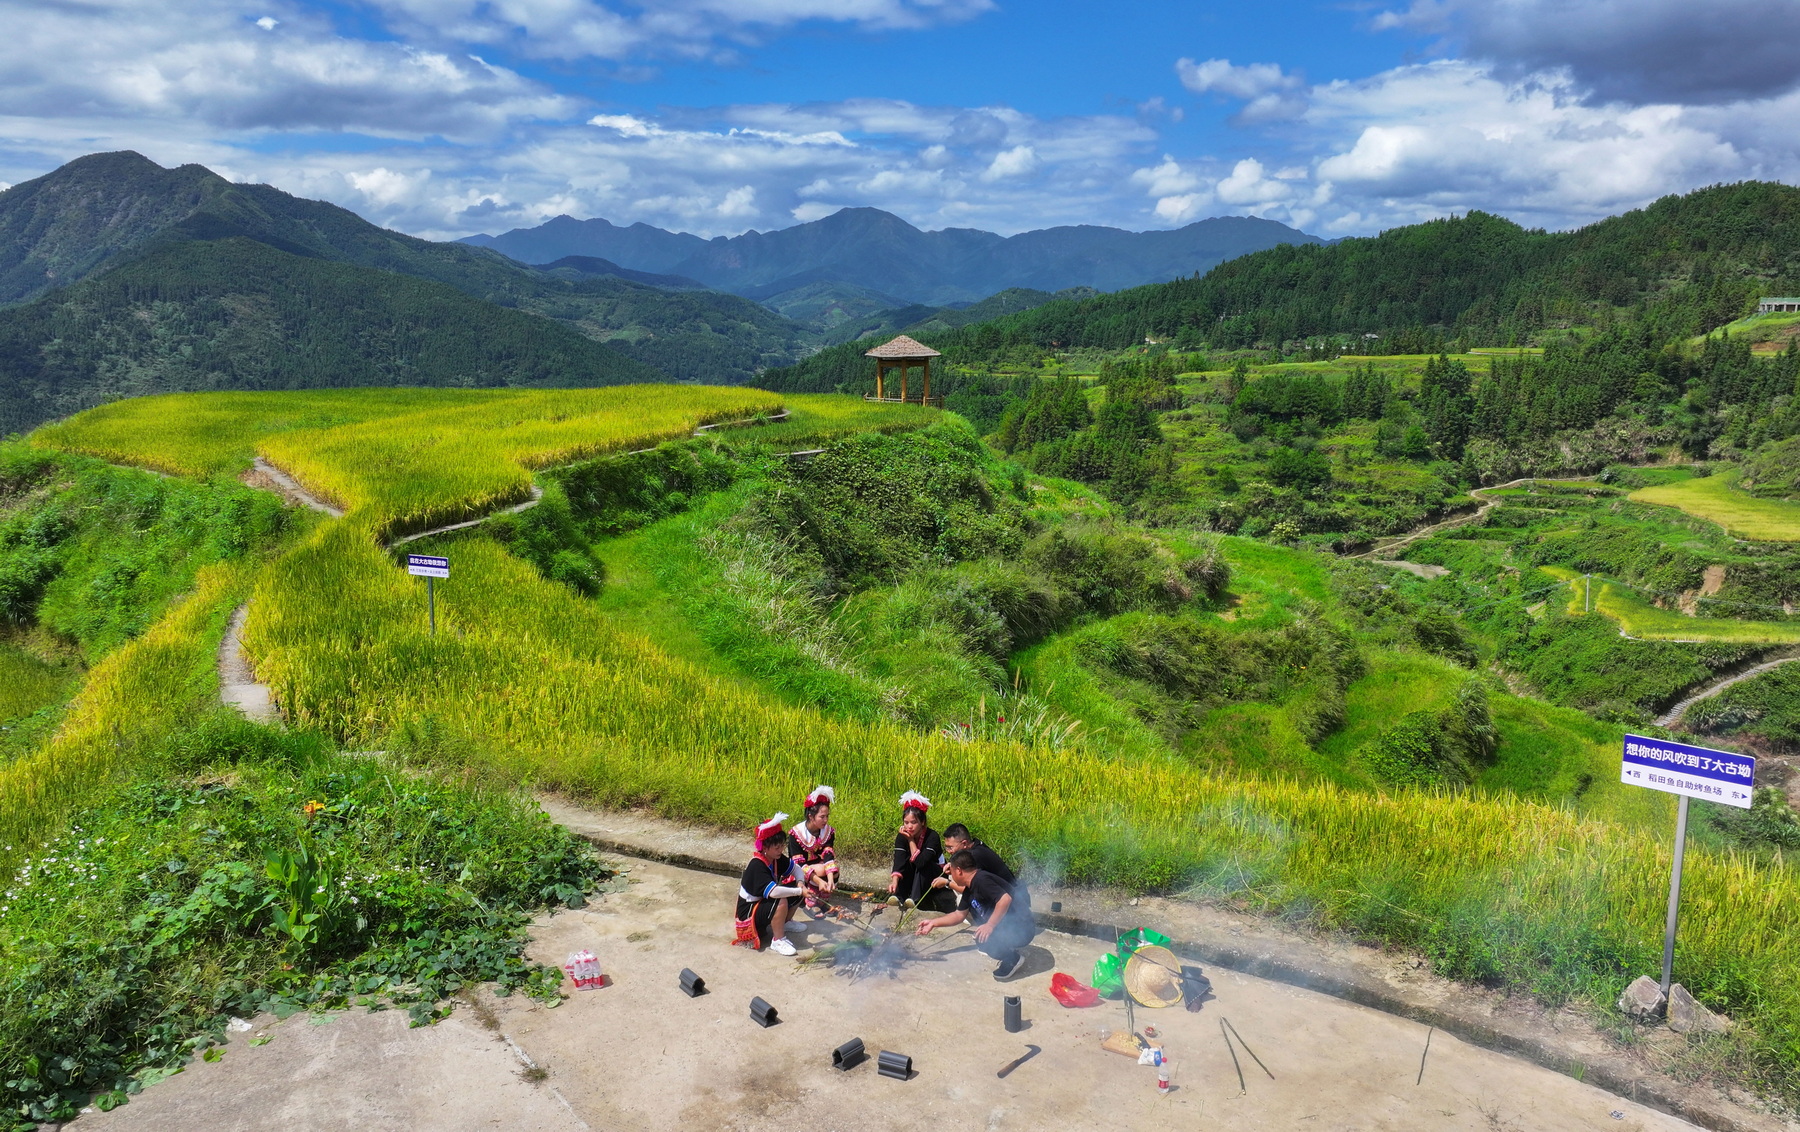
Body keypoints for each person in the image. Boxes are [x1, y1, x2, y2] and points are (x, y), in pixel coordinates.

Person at [915, 848, 1038, 979]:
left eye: (951, 870)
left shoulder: (981, 879)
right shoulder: (970, 886)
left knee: (984, 940)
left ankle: (1013, 958)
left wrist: (989, 926)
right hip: (1011, 927)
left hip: (1023, 929)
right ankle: (1008, 947)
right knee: (982, 936)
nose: (949, 874)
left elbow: (1005, 899)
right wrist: (933, 923)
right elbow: (959, 915)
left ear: (959, 870)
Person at [734, 812, 807, 956]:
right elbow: (773, 892)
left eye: (781, 846)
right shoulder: (757, 865)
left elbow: (797, 870)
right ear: (765, 848)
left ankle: (785, 922)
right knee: (781, 899)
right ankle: (778, 940)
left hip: (761, 904)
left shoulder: (775, 857)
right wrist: (799, 891)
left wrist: (800, 885)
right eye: (777, 847)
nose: (781, 850)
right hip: (748, 914)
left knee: (796, 886)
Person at [889, 791, 951, 912]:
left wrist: (911, 840)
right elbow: (899, 861)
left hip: (933, 874)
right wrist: (894, 881)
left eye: (914, 822)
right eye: (906, 822)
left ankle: (914, 899)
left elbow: (921, 862)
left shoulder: (932, 836)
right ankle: (898, 896)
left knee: (923, 865)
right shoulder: (901, 837)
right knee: (905, 864)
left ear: (922, 822)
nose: (909, 827)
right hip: (915, 873)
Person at [787, 785, 839, 909]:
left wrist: (830, 879)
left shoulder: (827, 831)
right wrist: (820, 881)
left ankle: (822, 897)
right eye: (822, 817)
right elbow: (798, 864)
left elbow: (828, 855)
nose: (825, 820)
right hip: (798, 870)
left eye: (827, 816)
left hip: (817, 865)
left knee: (834, 869)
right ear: (811, 816)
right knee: (822, 870)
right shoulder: (796, 833)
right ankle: (811, 900)